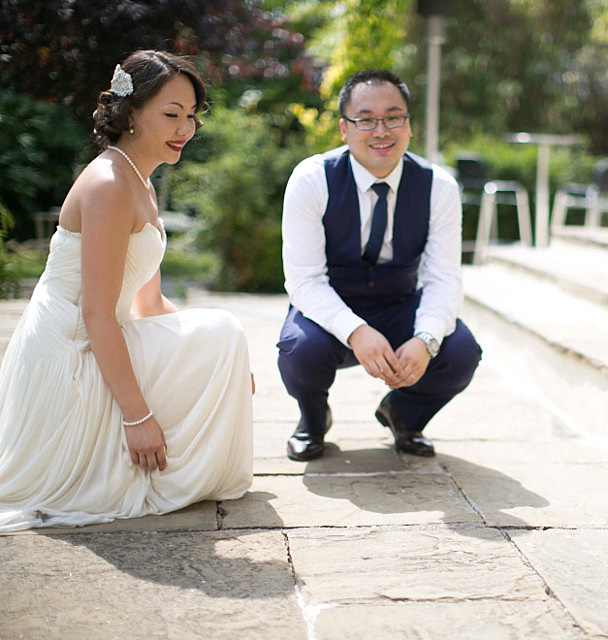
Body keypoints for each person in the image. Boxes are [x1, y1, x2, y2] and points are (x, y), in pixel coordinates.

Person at [0, 51, 253, 531]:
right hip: (71, 351)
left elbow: (149, 304)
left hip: (100, 335)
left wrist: (228, 363)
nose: (185, 128)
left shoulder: (140, 181)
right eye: (172, 114)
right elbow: (96, 313)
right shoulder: (110, 184)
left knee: (223, 335)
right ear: (131, 112)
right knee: (222, 329)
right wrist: (137, 418)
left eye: (192, 117)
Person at [277, 69, 482, 461]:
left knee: (460, 350)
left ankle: (405, 415)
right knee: (298, 350)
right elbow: (304, 280)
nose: (381, 131)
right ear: (344, 128)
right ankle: (312, 421)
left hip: (399, 301)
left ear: (409, 125)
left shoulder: (438, 186)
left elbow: (443, 278)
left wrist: (425, 339)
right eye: (366, 119)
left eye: (393, 117)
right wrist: (355, 331)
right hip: (331, 302)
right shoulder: (311, 179)